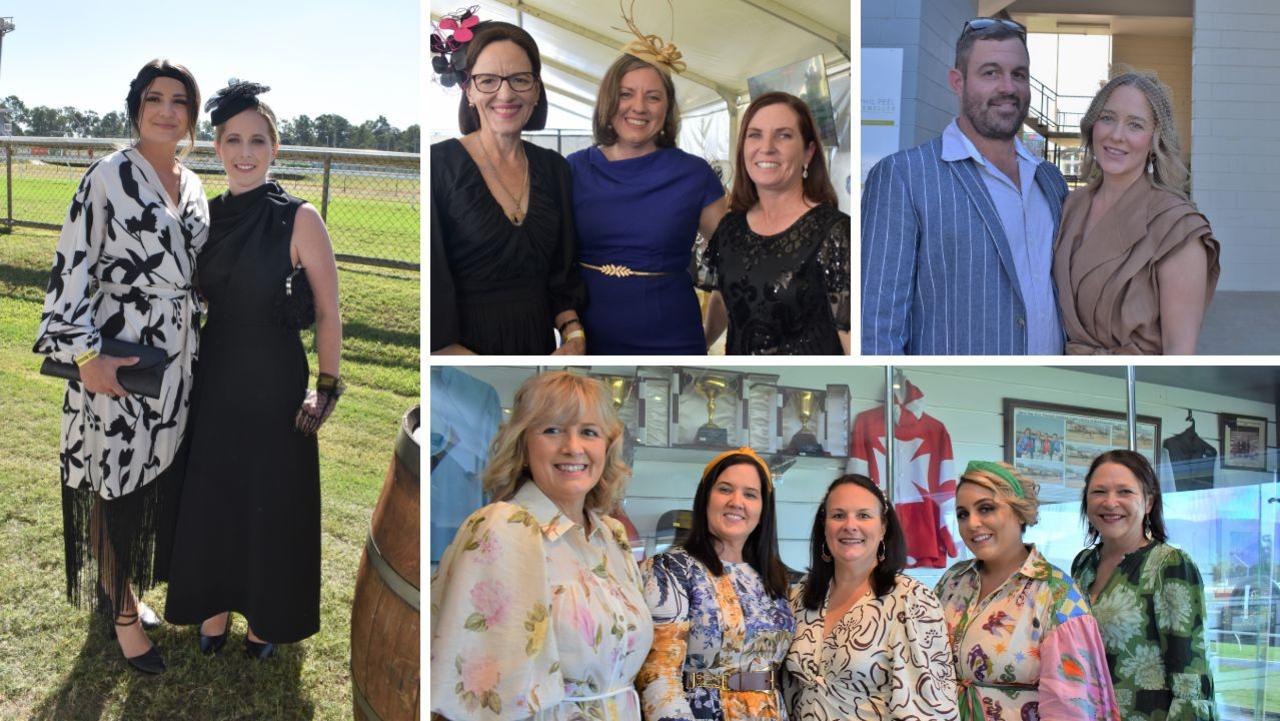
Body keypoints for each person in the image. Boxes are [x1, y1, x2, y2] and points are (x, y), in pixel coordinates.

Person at [33, 59, 208, 675]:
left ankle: (123, 586)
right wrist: (86, 358)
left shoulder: (193, 184)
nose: (167, 110)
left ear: (191, 115)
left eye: (179, 100)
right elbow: (69, 271)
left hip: (177, 370)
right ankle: (125, 614)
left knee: (148, 484)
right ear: (136, 107)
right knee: (113, 488)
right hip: (119, 367)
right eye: (154, 98)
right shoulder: (106, 177)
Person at [162, 82, 342, 660]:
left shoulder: (300, 218)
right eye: (233, 140)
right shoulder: (203, 218)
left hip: (275, 383)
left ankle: (265, 620)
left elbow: (329, 311)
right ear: (216, 147)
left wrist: (326, 390)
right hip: (214, 378)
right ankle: (211, 609)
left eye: (257, 140)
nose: (245, 152)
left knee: (270, 501)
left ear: (275, 147)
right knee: (214, 495)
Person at [430, 371, 653, 720]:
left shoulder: (613, 537)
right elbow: (474, 700)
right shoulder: (504, 527)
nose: (573, 447)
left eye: (589, 432)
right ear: (524, 443)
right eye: (552, 430)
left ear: (606, 447)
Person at [862, 18, 1068, 355]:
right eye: (990, 73)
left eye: (1018, 74)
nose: (1008, 88)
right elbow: (877, 326)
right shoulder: (904, 177)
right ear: (958, 82)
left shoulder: (1050, 180)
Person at [567, 12, 727, 354]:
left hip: (673, 338)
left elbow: (742, 262)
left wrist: (708, 336)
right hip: (587, 341)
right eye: (626, 94)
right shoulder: (574, 169)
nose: (639, 107)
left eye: (653, 97)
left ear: (667, 108)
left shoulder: (694, 175)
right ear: (609, 100)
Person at [430, 13, 585, 355]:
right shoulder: (438, 166)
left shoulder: (555, 169)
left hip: (538, 349)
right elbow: (433, 292)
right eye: (488, 80)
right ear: (468, 90)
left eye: (519, 79)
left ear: (536, 90)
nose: (505, 93)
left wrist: (573, 335)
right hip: (458, 356)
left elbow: (561, 274)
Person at [935, 461, 1119, 720]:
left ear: (1019, 512)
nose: (972, 523)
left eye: (986, 509)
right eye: (963, 514)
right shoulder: (953, 581)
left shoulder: (1057, 594)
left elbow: (1072, 708)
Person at [1052, 71, 1220, 355]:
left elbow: (1180, 351)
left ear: (1155, 140)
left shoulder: (1177, 228)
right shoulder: (1068, 206)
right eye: (1107, 118)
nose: (1116, 135)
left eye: (1135, 125)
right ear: (1092, 125)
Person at [637, 448, 794, 720]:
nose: (736, 501)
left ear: (763, 509)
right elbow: (659, 674)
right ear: (705, 498)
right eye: (725, 489)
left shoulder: (775, 578)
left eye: (750, 494)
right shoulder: (672, 570)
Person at [784, 475, 957, 720]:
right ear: (824, 527)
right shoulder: (801, 595)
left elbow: (930, 707)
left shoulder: (911, 600)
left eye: (863, 515)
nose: (850, 525)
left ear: (883, 527)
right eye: (838, 515)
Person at [699, 92, 850, 355]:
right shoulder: (730, 227)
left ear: (809, 152)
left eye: (784, 135)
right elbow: (722, 301)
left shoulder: (834, 232)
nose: (766, 146)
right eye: (755, 134)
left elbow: (849, 335)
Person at [1071, 450, 1216, 719]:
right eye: (1098, 492)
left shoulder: (1170, 565)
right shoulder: (1083, 564)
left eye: (1125, 492)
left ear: (1148, 502)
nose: (1110, 502)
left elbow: (1191, 678)